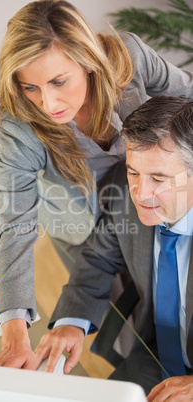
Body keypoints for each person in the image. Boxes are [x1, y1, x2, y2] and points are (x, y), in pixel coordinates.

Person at [0, 0, 193, 370]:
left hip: (160, 201)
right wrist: (15, 334)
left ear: (88, 59)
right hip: (85, 225)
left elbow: (188, 99)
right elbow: (14, 225)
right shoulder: (19, 125)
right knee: (123, 306)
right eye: (30, 87)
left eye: (58, 81)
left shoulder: (127, 57)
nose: (47, 103)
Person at [34, 95, 193, 399]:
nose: (140, 193)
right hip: (155, 351)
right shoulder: (123, 187)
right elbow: (97, 258)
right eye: (134, 172)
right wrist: (72, 322)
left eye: (159, 178)